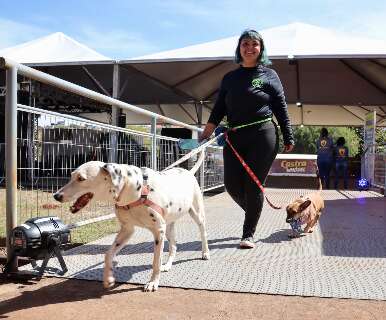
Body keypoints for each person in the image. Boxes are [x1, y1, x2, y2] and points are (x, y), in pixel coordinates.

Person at [199, 29, 294, 249]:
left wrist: (288, 136)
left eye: (254, 44)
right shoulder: (230, 78)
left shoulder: (269, 76)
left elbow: (280, 107)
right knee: (231, 184)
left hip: (263, 135)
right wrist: (205, 135)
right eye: (245, 44)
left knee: (253, 186)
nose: (250, 48)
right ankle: (254, 210)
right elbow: (219, 109)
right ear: (239, 49)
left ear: (261, 49)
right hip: (234, 137)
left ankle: (248, 234)